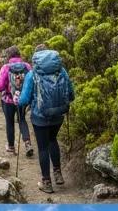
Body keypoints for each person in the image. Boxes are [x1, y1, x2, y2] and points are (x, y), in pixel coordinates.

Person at [16, 44, 76, 195]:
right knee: (53, 140)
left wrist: (20, 100)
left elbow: (23, 100)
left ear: (36, 58)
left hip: (40, 117)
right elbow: (71, 95)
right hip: (59, 115)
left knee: (43, 148)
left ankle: (47, 182)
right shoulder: (62, 71)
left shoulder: (32, 74)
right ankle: (58, 174)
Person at [0, 47, 34, 157]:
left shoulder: (5, 67)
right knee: (22, 120)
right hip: (22, 100)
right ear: (19, 55)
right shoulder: (27, 66)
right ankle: (27, 143)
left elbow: (0, 86)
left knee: (9, 122)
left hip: (8, 100)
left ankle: (11, 146)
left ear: (9, 56)